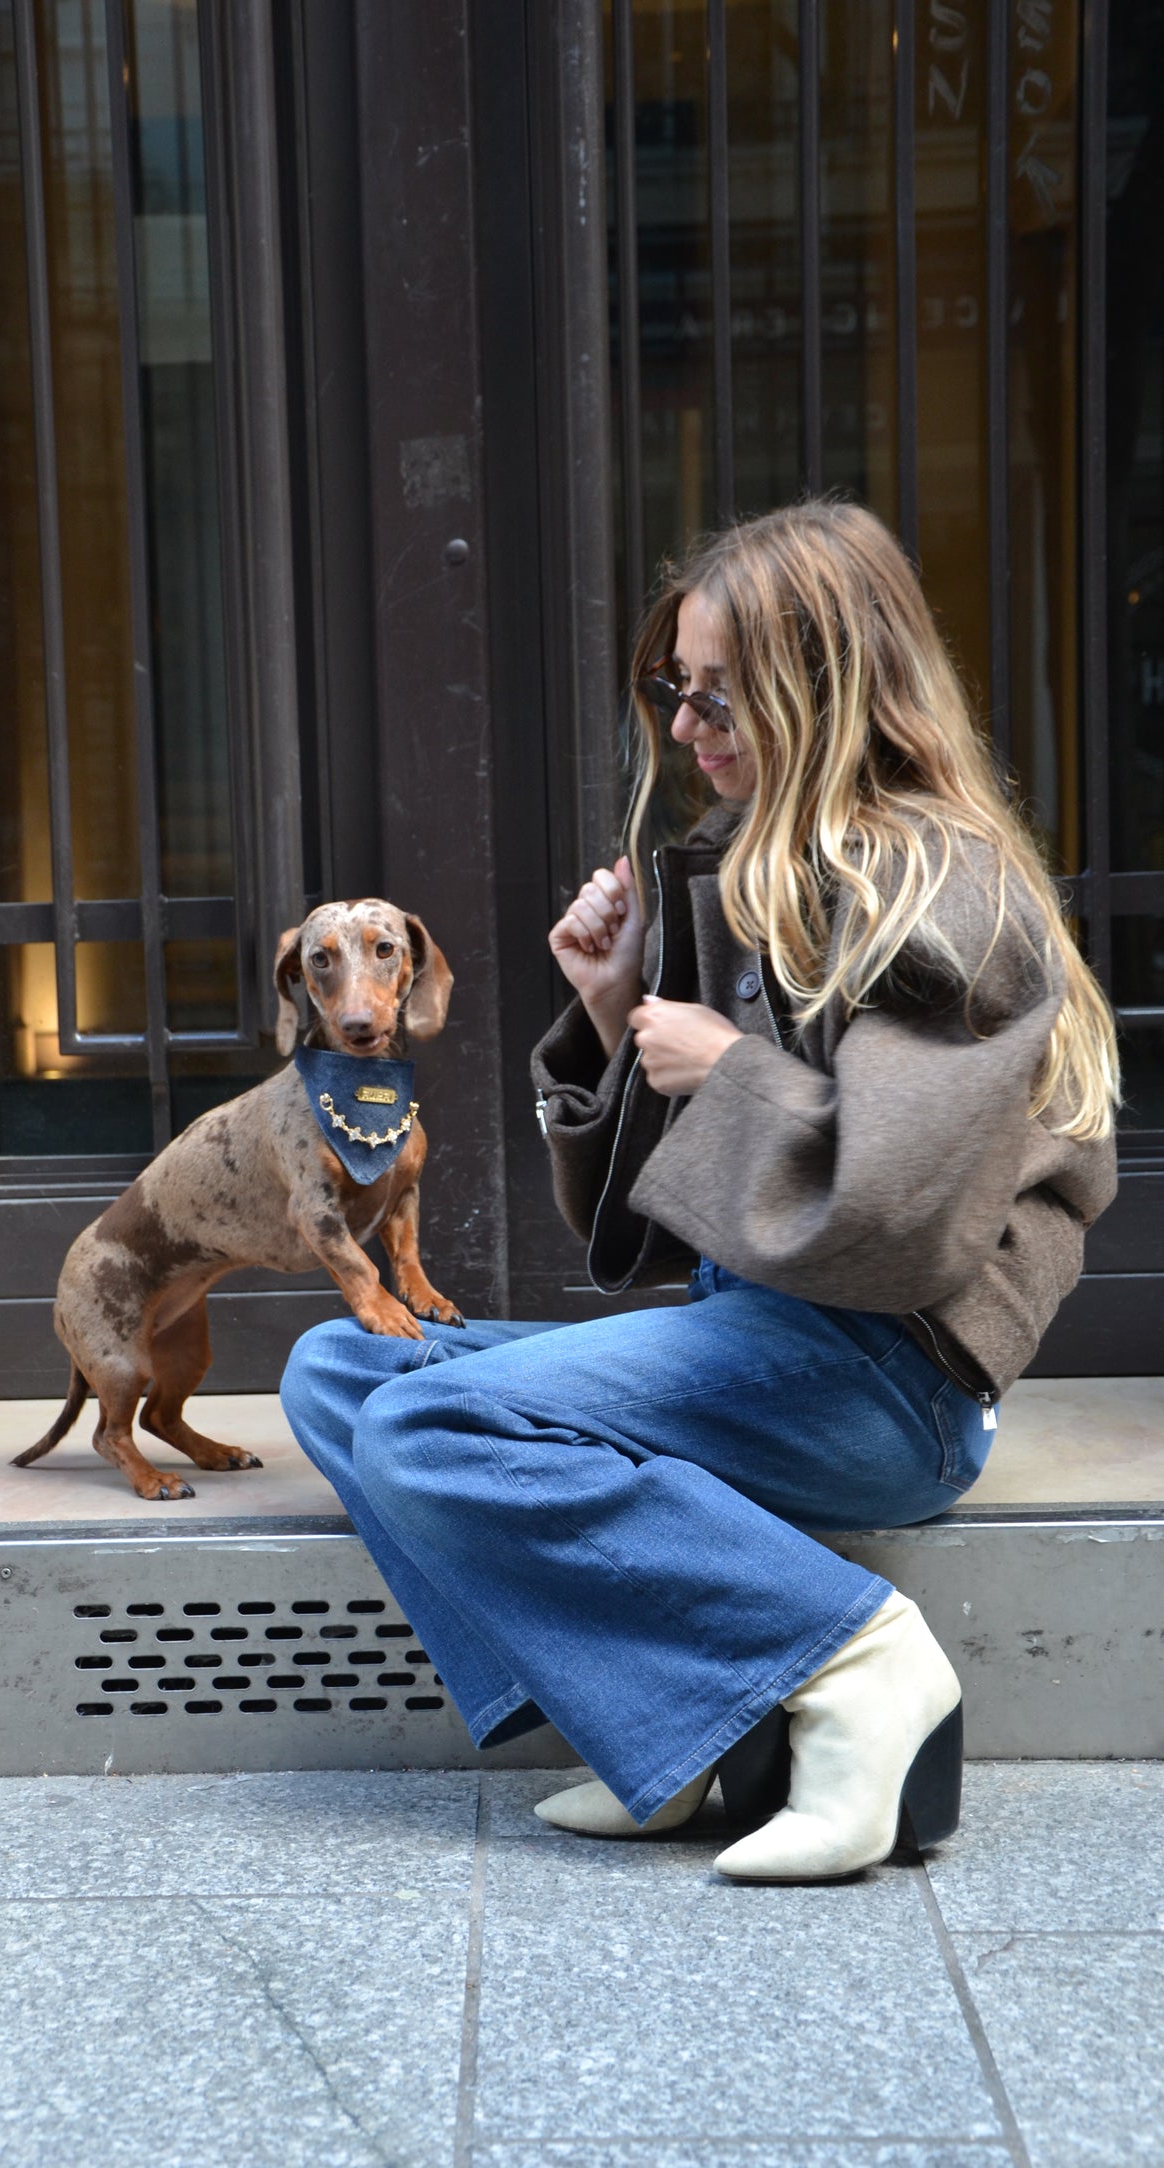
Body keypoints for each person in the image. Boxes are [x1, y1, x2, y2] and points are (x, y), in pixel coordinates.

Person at [280, 500, 1118, 1881]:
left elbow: (899, 1222)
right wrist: (616, 1018)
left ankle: (854, 1656)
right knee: (334, 1371)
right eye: (672, 688)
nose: (681, 724)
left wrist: (722, 1067)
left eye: (715, 691)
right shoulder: (759, 873)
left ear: (825, 684)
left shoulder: (940, 889)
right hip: (769, 1336)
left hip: (884, 1380)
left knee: (427, 1421)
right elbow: (651, 1234)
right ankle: (673, 1732)